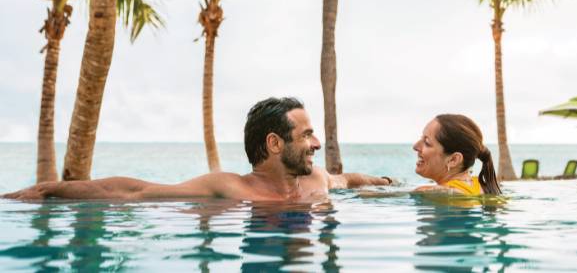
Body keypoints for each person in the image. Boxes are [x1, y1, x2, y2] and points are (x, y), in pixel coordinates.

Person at [2, 97, 390, 202]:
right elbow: (135, 191)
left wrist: (378, 180)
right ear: (274, 144)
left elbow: (347, 180)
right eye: (306, 135)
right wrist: (51, 189)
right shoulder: (230, 189)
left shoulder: (317, 181)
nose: (316, 144)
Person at [413, 114, 501, 196]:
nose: (415, 146)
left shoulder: (436, 193)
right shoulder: (484, 186)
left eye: (427, 143)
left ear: (453, 160)